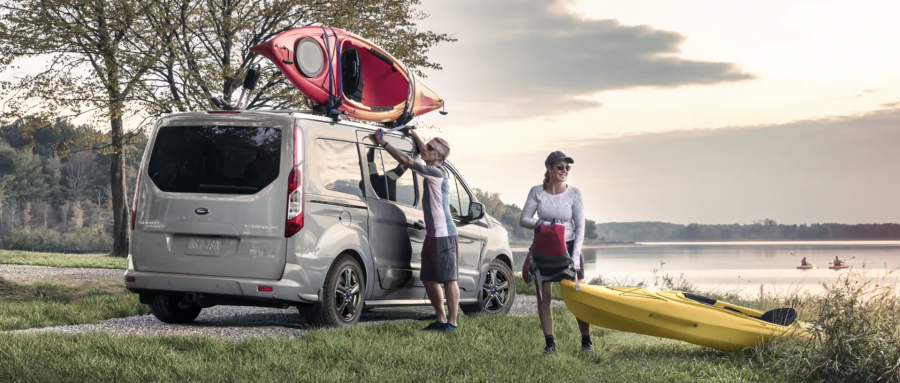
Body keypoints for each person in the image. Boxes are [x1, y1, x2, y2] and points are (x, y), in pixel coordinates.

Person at [373, 128, 459, 332]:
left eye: (429, 148)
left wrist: (383, 143)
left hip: (444, 234)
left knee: (448, 279)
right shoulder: (434, 161)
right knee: (429, 278)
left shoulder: (436, 172)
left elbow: (407, 161)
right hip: (432, 234)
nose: (424, 149)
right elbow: (422, 149)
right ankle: (440, 319)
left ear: (438, 156)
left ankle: (453, 323)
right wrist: (412, 132)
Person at [519, 151, 591, 354]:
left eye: (568, 167)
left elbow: (580, 227)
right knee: (544, 296)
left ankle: (586, 341)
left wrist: (575, 255)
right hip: (544, 248)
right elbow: (524, 219)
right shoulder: (537, 191)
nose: (565, 171)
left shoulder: (575, 193)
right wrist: (544, 223)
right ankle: (549, 343)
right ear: (549, 168)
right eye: (560, 167)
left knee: (578, 295)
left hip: (568, 248)